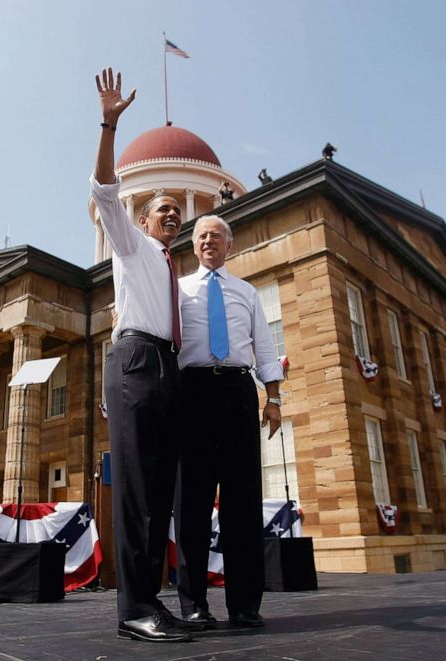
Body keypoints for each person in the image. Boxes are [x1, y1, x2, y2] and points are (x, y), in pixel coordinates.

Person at [89, 67, 191, 643]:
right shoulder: (131, 247)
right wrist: (109, 124)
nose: (172, 214)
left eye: (178, 210)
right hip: (134, 362)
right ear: (143, 218)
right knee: (133, 491)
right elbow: (103, 189)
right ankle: (132, 609)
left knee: (160, 490)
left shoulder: (174, 267)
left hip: (167, 366)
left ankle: (151, 600)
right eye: (162, 208)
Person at [174, 214, 284, 629]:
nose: (207, 241)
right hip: (193, 392)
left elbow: (266, 350)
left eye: (215, 236)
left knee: (241, 502)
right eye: (201, 235)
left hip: (238, 391)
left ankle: (244, 604)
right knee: (192, 504)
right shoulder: (179, 289)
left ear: (228, 245)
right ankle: (193, 604)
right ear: (194, 244)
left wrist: (273, 399)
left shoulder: (247, 292)